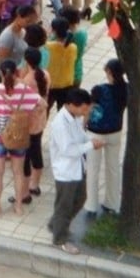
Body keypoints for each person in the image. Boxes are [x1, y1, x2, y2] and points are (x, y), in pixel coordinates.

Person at [49, 88, 104, 254]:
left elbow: (80, 135)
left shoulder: (74, 118)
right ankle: (60, 239)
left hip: (78, 169)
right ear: (72, 105)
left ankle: (57, 224)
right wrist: (90, 145)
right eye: (84, 108)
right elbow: (67, 150)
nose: (85, 112)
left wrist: (90, 140)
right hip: (65, 171)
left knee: (80, 199)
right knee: (64, 206)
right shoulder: (60, 124)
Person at [0, 60, 41, 216]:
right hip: (20, 135)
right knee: (18, 173)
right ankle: (19, 206)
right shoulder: (25, 91)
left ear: (0, 73)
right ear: (17, 72)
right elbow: (41, 105)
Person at [84, 59, 127, 218]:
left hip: (96, 133)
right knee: (113, 168)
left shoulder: (99, 90)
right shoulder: (126, 89)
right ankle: (112, 203)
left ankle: (91, 205)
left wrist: (84, 125)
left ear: (109, 72)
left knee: (93, 169)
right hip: (115, 132)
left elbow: (89, 109)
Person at [19, 46, 50, 203]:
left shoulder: (27, 81)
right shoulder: (45, 75)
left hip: (28, 122)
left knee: (25, 158)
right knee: (36, 152)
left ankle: (24, 193)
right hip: (40, 120)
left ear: (26, 61)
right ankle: (35, 185)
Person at [46, 17, 78, 110]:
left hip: (51, 84)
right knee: (63, 113)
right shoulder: (73, 47)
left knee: (45, 111)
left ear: (53, 31)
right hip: (66, 84)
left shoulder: (48, 46)